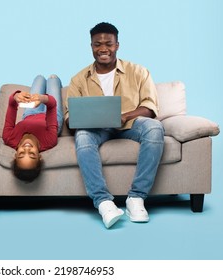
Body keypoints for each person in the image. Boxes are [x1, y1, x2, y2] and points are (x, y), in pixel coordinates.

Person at [64, 22, 165, 229]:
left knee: (155, 128)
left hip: (130, 125)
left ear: (117, 45)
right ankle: (103, 203)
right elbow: (69, 116)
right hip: (96, 129)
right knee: (82, 135)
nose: (103, 49)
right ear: (91, 46)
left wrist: (125, 116)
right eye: (97, 44)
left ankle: (136, 199)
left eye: (108, 44)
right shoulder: (78, 80)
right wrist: (81, 120)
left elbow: (149, 105)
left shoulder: (138, 71)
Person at [3, 74, 63, 182]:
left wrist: (16, 96)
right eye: (32, 154)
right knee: (53, 79)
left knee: (39, 78)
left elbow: (12, 105)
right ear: (40, 156)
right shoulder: (50, 141)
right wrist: (43, 98)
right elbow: (52, 105)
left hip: (30, 114)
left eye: (22, 153)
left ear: (15, 155)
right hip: (51, 118)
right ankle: (53, 81)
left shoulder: (8, 138)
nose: (27, 148)